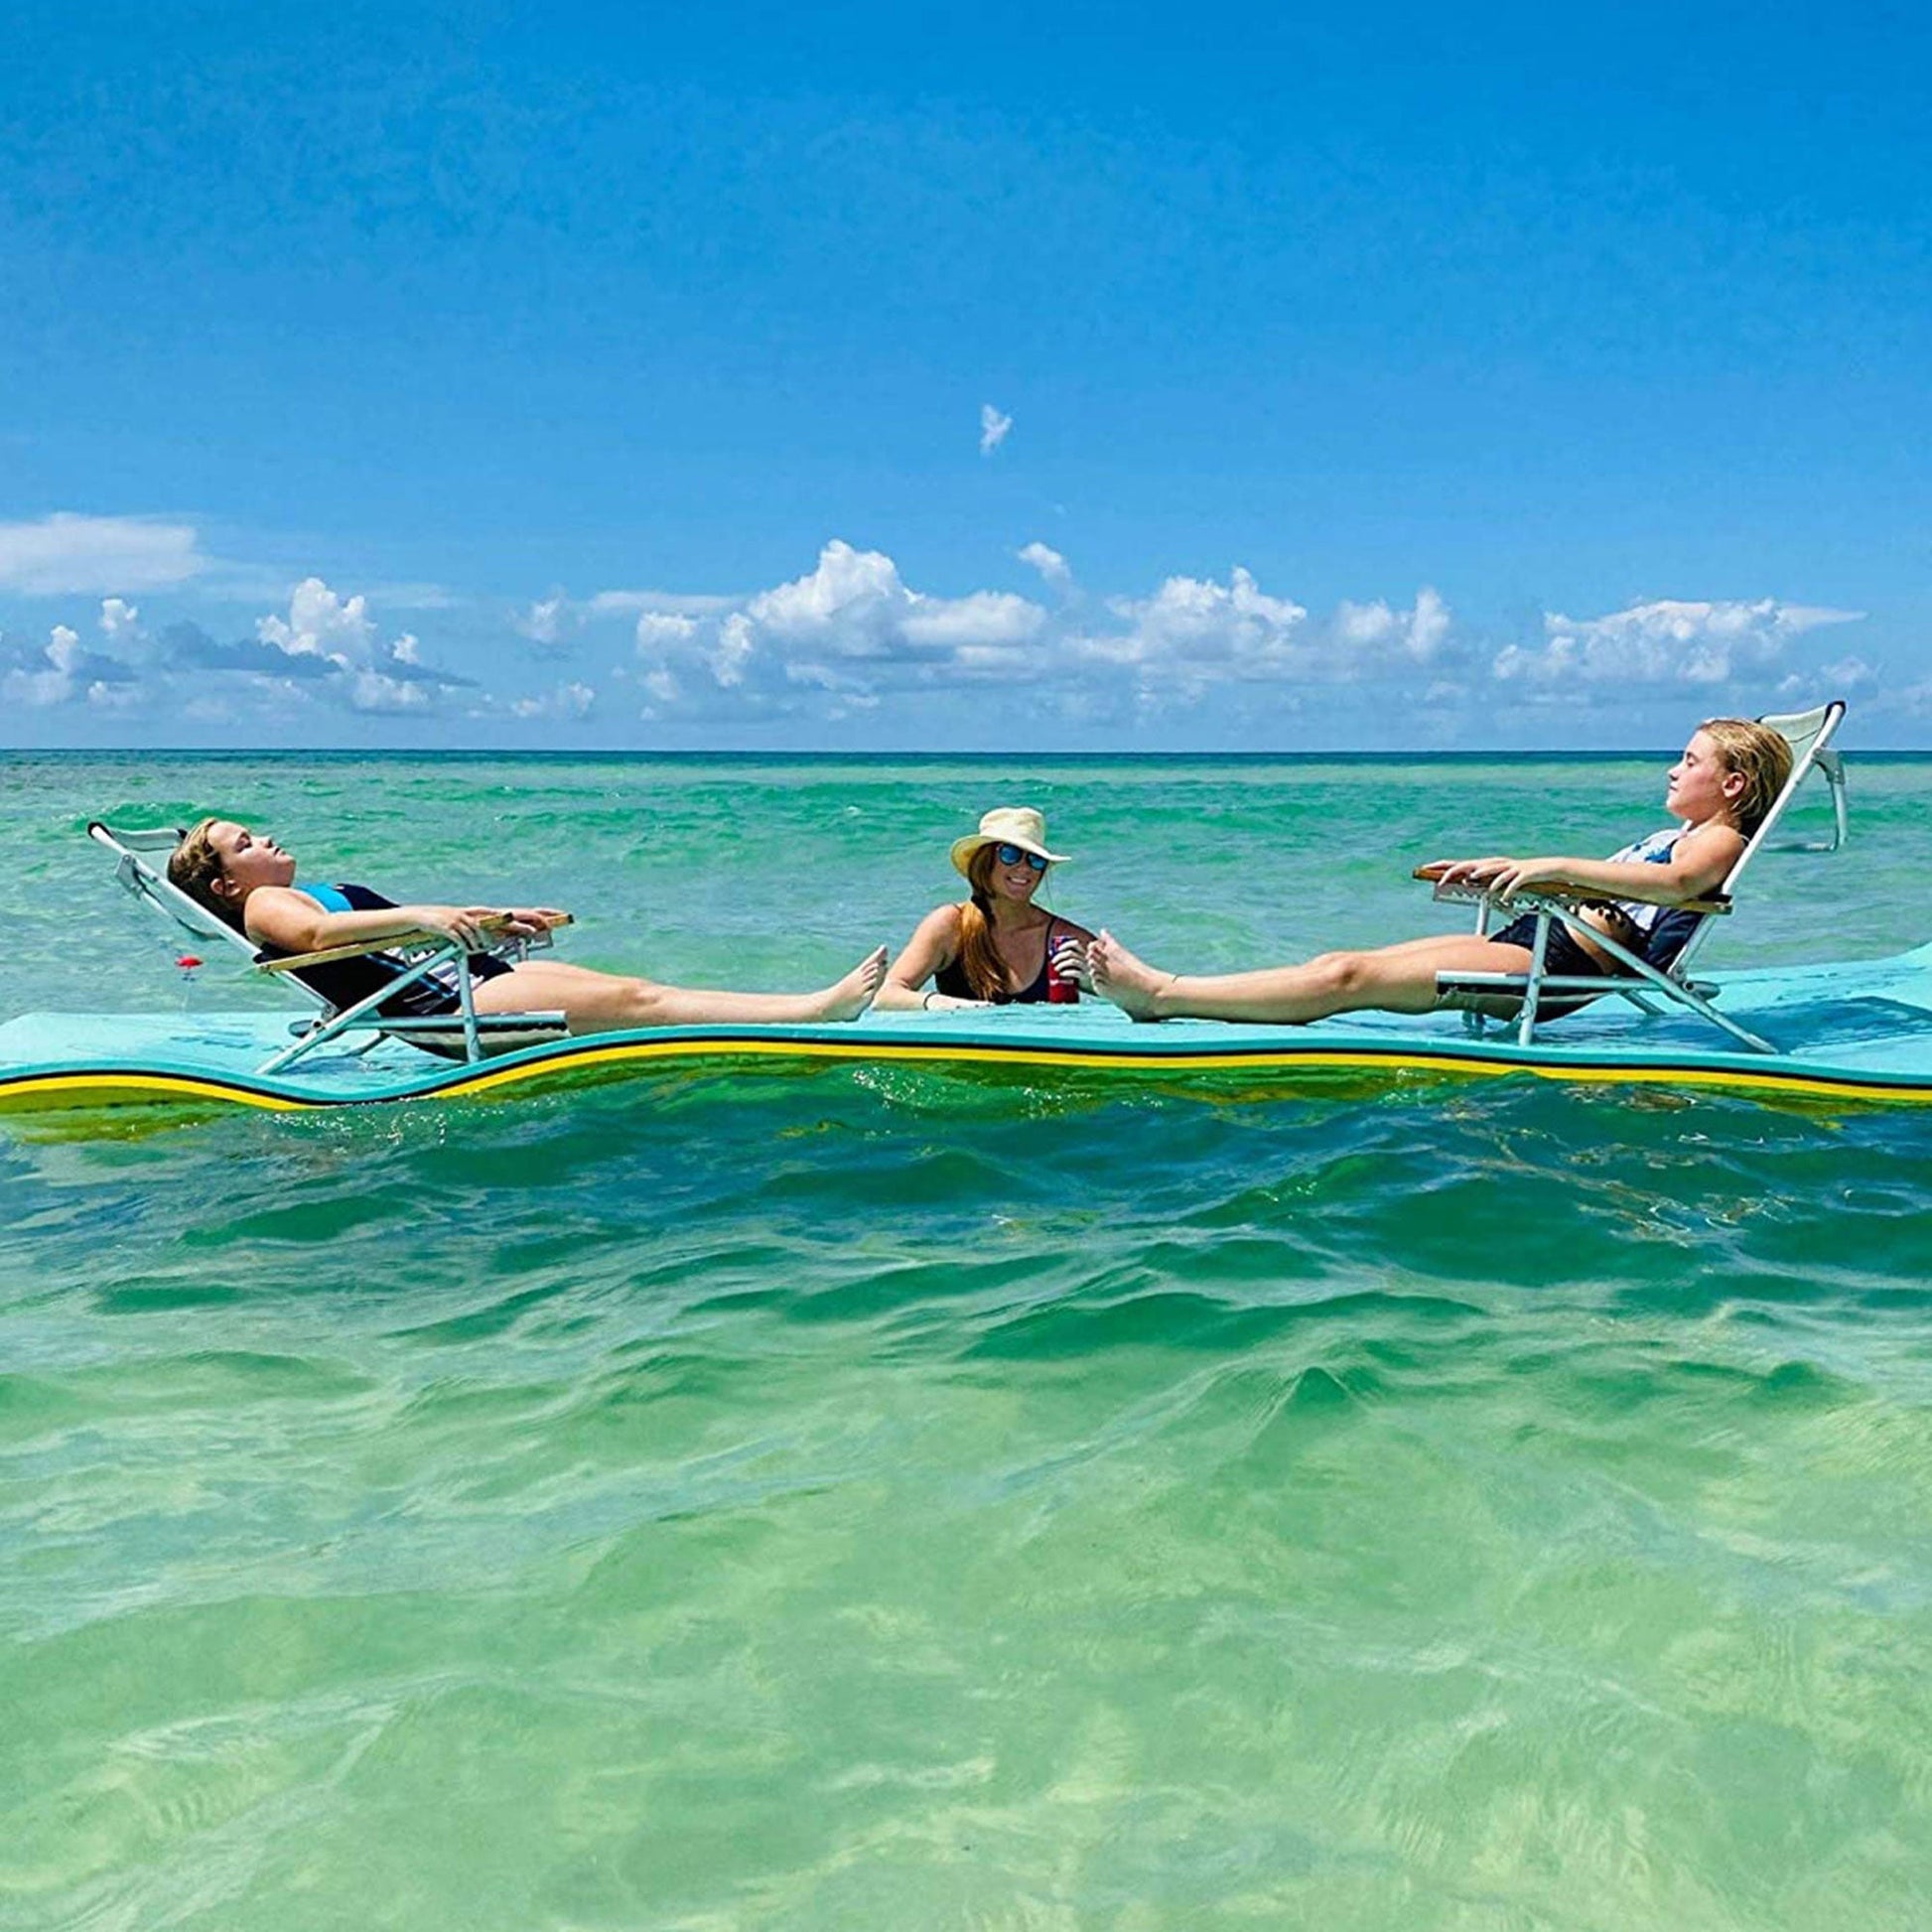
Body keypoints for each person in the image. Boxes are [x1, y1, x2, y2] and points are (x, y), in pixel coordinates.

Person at [1081, 719, 1793, 1026]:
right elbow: (1627, 889)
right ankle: (1178, 992)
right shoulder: (1684, 834)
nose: (1674, 769)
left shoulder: (1720, 841)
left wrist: (1548, 866)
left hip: (1558, 964)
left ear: (1733, 785)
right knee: (1342, 964)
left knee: (1347, 978)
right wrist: (1508, 873)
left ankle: (1164, 996)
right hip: (1541, 939)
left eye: (1691, 761)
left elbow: (1674, 889)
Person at [167, 818, 888, 1034]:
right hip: (455, 1006)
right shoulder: (265, 907)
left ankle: (802, 1010)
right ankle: (811, 1011)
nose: (266, 839)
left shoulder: (306, 891)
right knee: (643, 1002)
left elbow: (383, 940)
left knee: (642, 995)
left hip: (469, 980)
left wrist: (497, 921)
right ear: (227, 885)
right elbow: (320, 941)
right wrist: (427, 915)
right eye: (246, 844)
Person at [876, 806, 1095, 1011]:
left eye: (1035, 859)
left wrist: (1098, 984)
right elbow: (886, 996)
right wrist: (937, 1002)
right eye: (1010, 854)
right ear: (984, 860)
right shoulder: (951, 925)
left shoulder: (1064, 938)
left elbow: (1119, 991)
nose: (1024, 867)